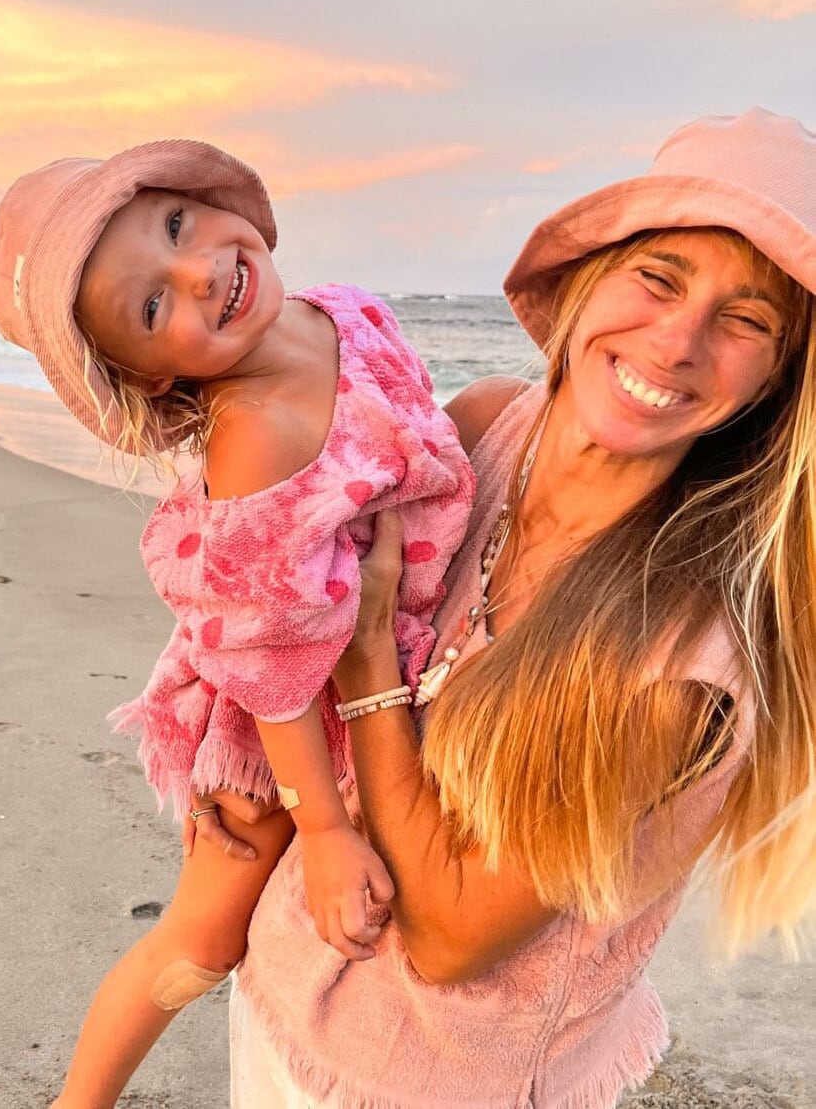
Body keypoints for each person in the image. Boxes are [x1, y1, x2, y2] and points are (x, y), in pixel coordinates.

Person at [226, 107, 816, 1107]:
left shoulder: (681, 663)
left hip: (435, 1081)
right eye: (658, 278)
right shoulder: (483, 426)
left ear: (777, 381)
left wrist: (370, 668)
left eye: (746, 319)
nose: (675, 343)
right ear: (591, 280)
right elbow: (283, 597)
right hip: (283, 985)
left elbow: (454, 933)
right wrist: (246, 768)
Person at [0, 140, 474, 1106]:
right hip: (281, 728)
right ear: (157, 378)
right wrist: (326, 831)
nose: (202, 272)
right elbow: (275, 669)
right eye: (155, 307)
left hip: (385, 658)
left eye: (176, 228)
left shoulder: (347, 312)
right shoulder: (260, 436)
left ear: (201, 196)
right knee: (203, 938)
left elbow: (419, 444)